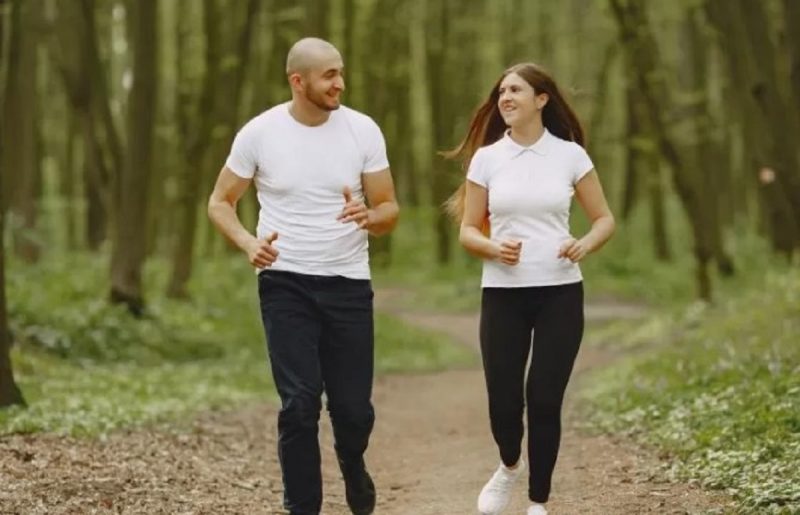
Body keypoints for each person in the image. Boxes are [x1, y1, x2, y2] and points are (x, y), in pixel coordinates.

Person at [207, 37, 399, 515]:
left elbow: (391, 208)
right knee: (298, 404)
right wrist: (250, 243)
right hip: (285, 282)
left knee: (353, 411)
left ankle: (352, 465)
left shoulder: (363, 130)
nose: (340, 82)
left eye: (340, 72)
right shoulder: (259, 133)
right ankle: (302, 507)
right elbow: (219, 202)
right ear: (298, 81)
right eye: (329, 74)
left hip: (349, 283)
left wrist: (369, 216)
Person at [445, 63, 615, 515]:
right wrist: (492, 247)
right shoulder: (487, 159)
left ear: (541, 100)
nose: (505, 98)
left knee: (544, 397)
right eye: (501, 91)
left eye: (516, 90)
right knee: (504, 401)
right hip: (502, 294)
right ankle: (509, 466)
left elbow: (604, 219)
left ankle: (538, 501)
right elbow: (467, 231)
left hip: (560, 293)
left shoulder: (571, 156)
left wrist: (584, 244)